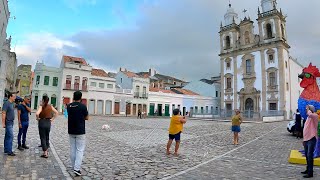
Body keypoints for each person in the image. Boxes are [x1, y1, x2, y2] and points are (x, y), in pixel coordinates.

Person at [67, 91, 89, 176]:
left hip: (71, 130)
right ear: (81, 97)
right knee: (80, 150)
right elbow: (87, 117)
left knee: (72, 149)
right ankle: (77, 168)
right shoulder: (83, 106)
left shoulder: (69, 106)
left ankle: (74, 166)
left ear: (73, 97)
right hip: (80, 131)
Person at [301, 105, 318, 178]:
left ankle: (310, 173)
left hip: (311, 138)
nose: (305, 110)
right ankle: (308, 169)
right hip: (306, 139)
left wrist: (308, 109)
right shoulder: (308, 118)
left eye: (307, 109)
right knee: (307, 156)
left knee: (310, 155)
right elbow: (306, 129)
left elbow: (310, 114)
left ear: (311, 109)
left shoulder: (315, 116)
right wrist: (303, 140)